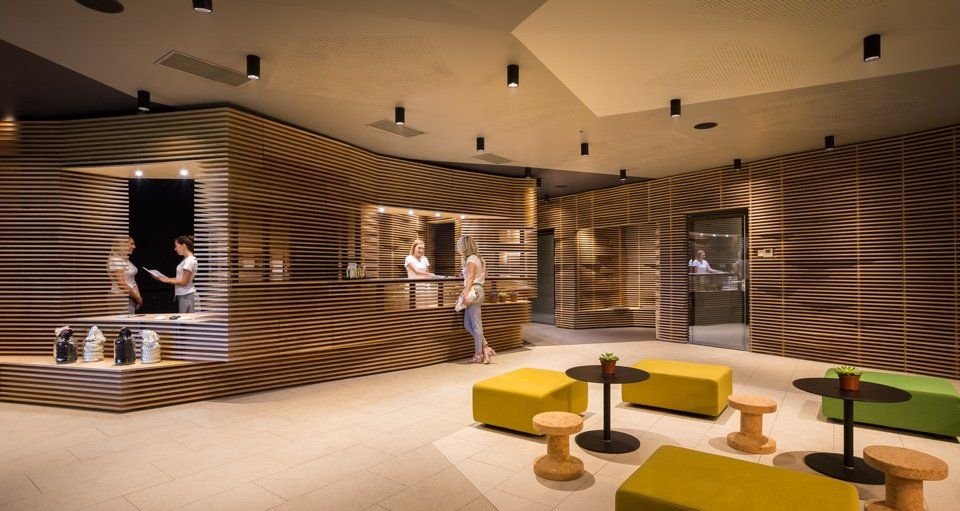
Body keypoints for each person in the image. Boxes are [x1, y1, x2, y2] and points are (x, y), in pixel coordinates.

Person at [456, 235, 495, 364]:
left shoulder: (471, 259)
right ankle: (485, 347)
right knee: (468, 325)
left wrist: (465, 295)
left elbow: (470, 278)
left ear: (464, 247)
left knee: (476, 325)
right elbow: (484, 275)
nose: (459, 249)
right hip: (477, 290)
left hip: (474, 291)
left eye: (460, 246)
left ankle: (478, 355)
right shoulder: (479, 259)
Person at [153, 235, 199, 313]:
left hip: (187, 295)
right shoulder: (187, 260)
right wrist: (163, 278)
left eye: (176, 246)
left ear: (183, 246)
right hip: (185, 295)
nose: (175, 249)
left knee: (188, 320)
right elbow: (180, 279)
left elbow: (183, 282)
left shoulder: (189, 261)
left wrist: (166, 280)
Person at [108, 236, 142, 313]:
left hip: (130, 296)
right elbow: (122, 284)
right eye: (131, 244)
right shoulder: (115, 260)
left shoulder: (125, 259)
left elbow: (132, 280)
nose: (134, 246)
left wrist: (138, 296)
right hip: (119, 298)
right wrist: (137, 297)